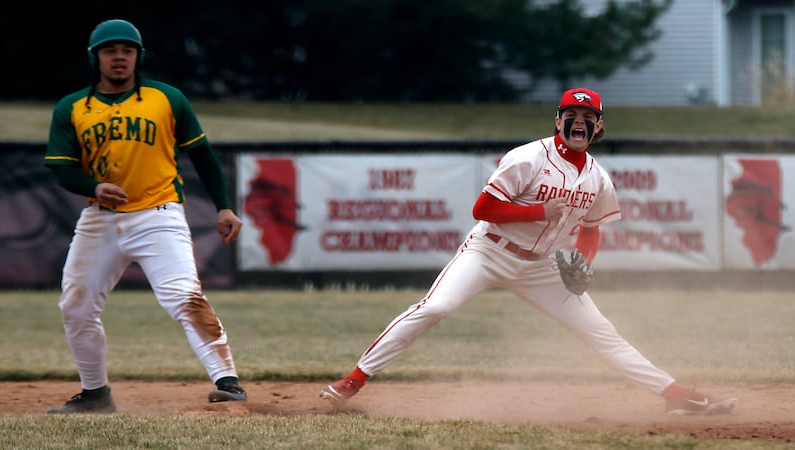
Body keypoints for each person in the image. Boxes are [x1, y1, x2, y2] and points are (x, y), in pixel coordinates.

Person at [320, 88, 736, 416]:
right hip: (489, 251)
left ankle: (675, 394)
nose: (579, 121)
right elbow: (481, 209)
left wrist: (583, 265)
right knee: (436, 307)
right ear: (558, 121)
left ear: (598, 127)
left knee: (601, 332)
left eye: (588, 117)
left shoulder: (598, 179)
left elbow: (591, 231)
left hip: (542, 269)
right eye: (571, 115)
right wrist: (538, 210)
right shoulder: (528, 157)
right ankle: (354, 379)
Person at [44, 19, 247, 413]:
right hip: (99, 218)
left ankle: (228, 382)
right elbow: (61, 168)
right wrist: (93, 186)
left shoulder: (166, 98)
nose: (119, 57)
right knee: (76, 306)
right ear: (95, 57)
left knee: (184, 297)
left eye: (127, 50)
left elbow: (201, 153)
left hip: (159, 214)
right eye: (109, 50)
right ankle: (95, 395)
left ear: (138, 56)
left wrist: (223, 204)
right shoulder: (73, 107)